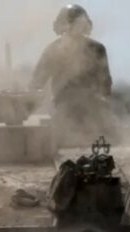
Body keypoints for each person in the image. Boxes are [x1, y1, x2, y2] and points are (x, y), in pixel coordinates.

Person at [31, 4, 115, 146]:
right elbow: (37, 83)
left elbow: (36, 83)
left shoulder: (95, 49)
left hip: (87, 110)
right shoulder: (95, 48)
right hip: (71, 111)